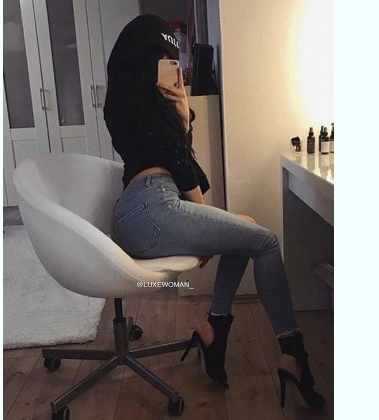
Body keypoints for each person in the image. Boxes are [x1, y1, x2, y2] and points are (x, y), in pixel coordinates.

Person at [104, 14, 325, 410]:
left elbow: (175, 154)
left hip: (141, 209)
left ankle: (213, 329)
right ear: (145, 60)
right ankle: (292, 353)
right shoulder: (138, 105)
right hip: (152, 207)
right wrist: (202, 223)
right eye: (163, 59)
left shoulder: (129, 105)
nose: (172, 70)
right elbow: (176, 160)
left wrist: (182, 113)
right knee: (265, 242)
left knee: (247, 230)